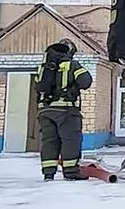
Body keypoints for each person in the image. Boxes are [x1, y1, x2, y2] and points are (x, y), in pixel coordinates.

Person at [34, 38, 93, 181]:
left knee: (49, 141)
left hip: (45, 111)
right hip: (66, 111)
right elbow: (86, 82)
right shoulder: (72, 65)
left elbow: (38, 87)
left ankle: (48, 173)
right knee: (70, 140)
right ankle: (71, 171)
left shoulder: (43, 68)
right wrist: (73, 87)